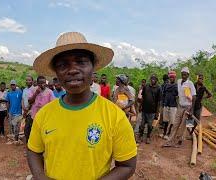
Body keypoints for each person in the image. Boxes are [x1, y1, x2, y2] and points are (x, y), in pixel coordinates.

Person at [28, 32, 137, 179]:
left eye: (81, 62)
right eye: (63, 64)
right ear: (56, 73)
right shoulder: (44, 114)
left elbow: (127, 165)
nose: (72, 70)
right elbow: (33, 151)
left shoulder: (114, 115)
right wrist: (41, 177)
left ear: (93, 69)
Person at [163, 67, 196, 147]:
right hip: (180, 106)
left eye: (185, 75)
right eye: (182, 74)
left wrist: (192, 110)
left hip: (188, 107)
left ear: (188, 75)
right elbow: (178, 93)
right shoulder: (178, 81)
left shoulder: (190, 83)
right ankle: (169, 141)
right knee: (175, 124)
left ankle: (180, 141)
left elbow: (194, 96)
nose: (184, 76)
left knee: (184, 125)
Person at [137, 74, 161, 144]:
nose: (153, 80)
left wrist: (157, 113)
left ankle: (148, 137)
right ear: (150, 79)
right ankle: (140, 136)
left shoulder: (158, 88)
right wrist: (140, 106)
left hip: (152, 111)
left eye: (154, 79)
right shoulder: (146, 86)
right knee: (142, 124)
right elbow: (143, 98)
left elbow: (159, 102)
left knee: (150, 125)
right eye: (152, 79)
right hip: (144, 109)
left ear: (156, 80)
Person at [160, 71, 178, 139]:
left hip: (173, 105)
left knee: (172, 121)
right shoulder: (166, 85)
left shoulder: (177, 86)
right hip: (166, 104)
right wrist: (163, 103)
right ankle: (164, 133)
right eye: (170, 77)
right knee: (165, 120)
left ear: (175, 78)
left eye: (173, 77)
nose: (171, 78)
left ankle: (168, 134)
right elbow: (163, 94)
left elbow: (178, 95)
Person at [6, 80, 23, 145]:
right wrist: (8, 112)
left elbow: (22, 101)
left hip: (18, 113)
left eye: (14, 84)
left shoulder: (20, 92)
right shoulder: (9, 93)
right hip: (11, 112)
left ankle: (16, 138)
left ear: (16, 85)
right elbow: (8, 103)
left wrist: (22, 110)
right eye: (11, 85)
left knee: (17, 126)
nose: (13, 86)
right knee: (11, 125)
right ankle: (13, 137)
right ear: (10, 86)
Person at [22, 76, 36, 143]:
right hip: (24, 111)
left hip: (31, 112)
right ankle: (28, 143)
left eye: (29, 80)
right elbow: (22, 99)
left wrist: (27, 109)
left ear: (32, 81)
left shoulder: (34, 89)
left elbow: (33, 101)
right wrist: (23, 107)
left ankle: (30, 143)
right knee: (26, 128)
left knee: (28, 128)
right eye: (27, 80)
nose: (28, 81)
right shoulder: (24, 90)